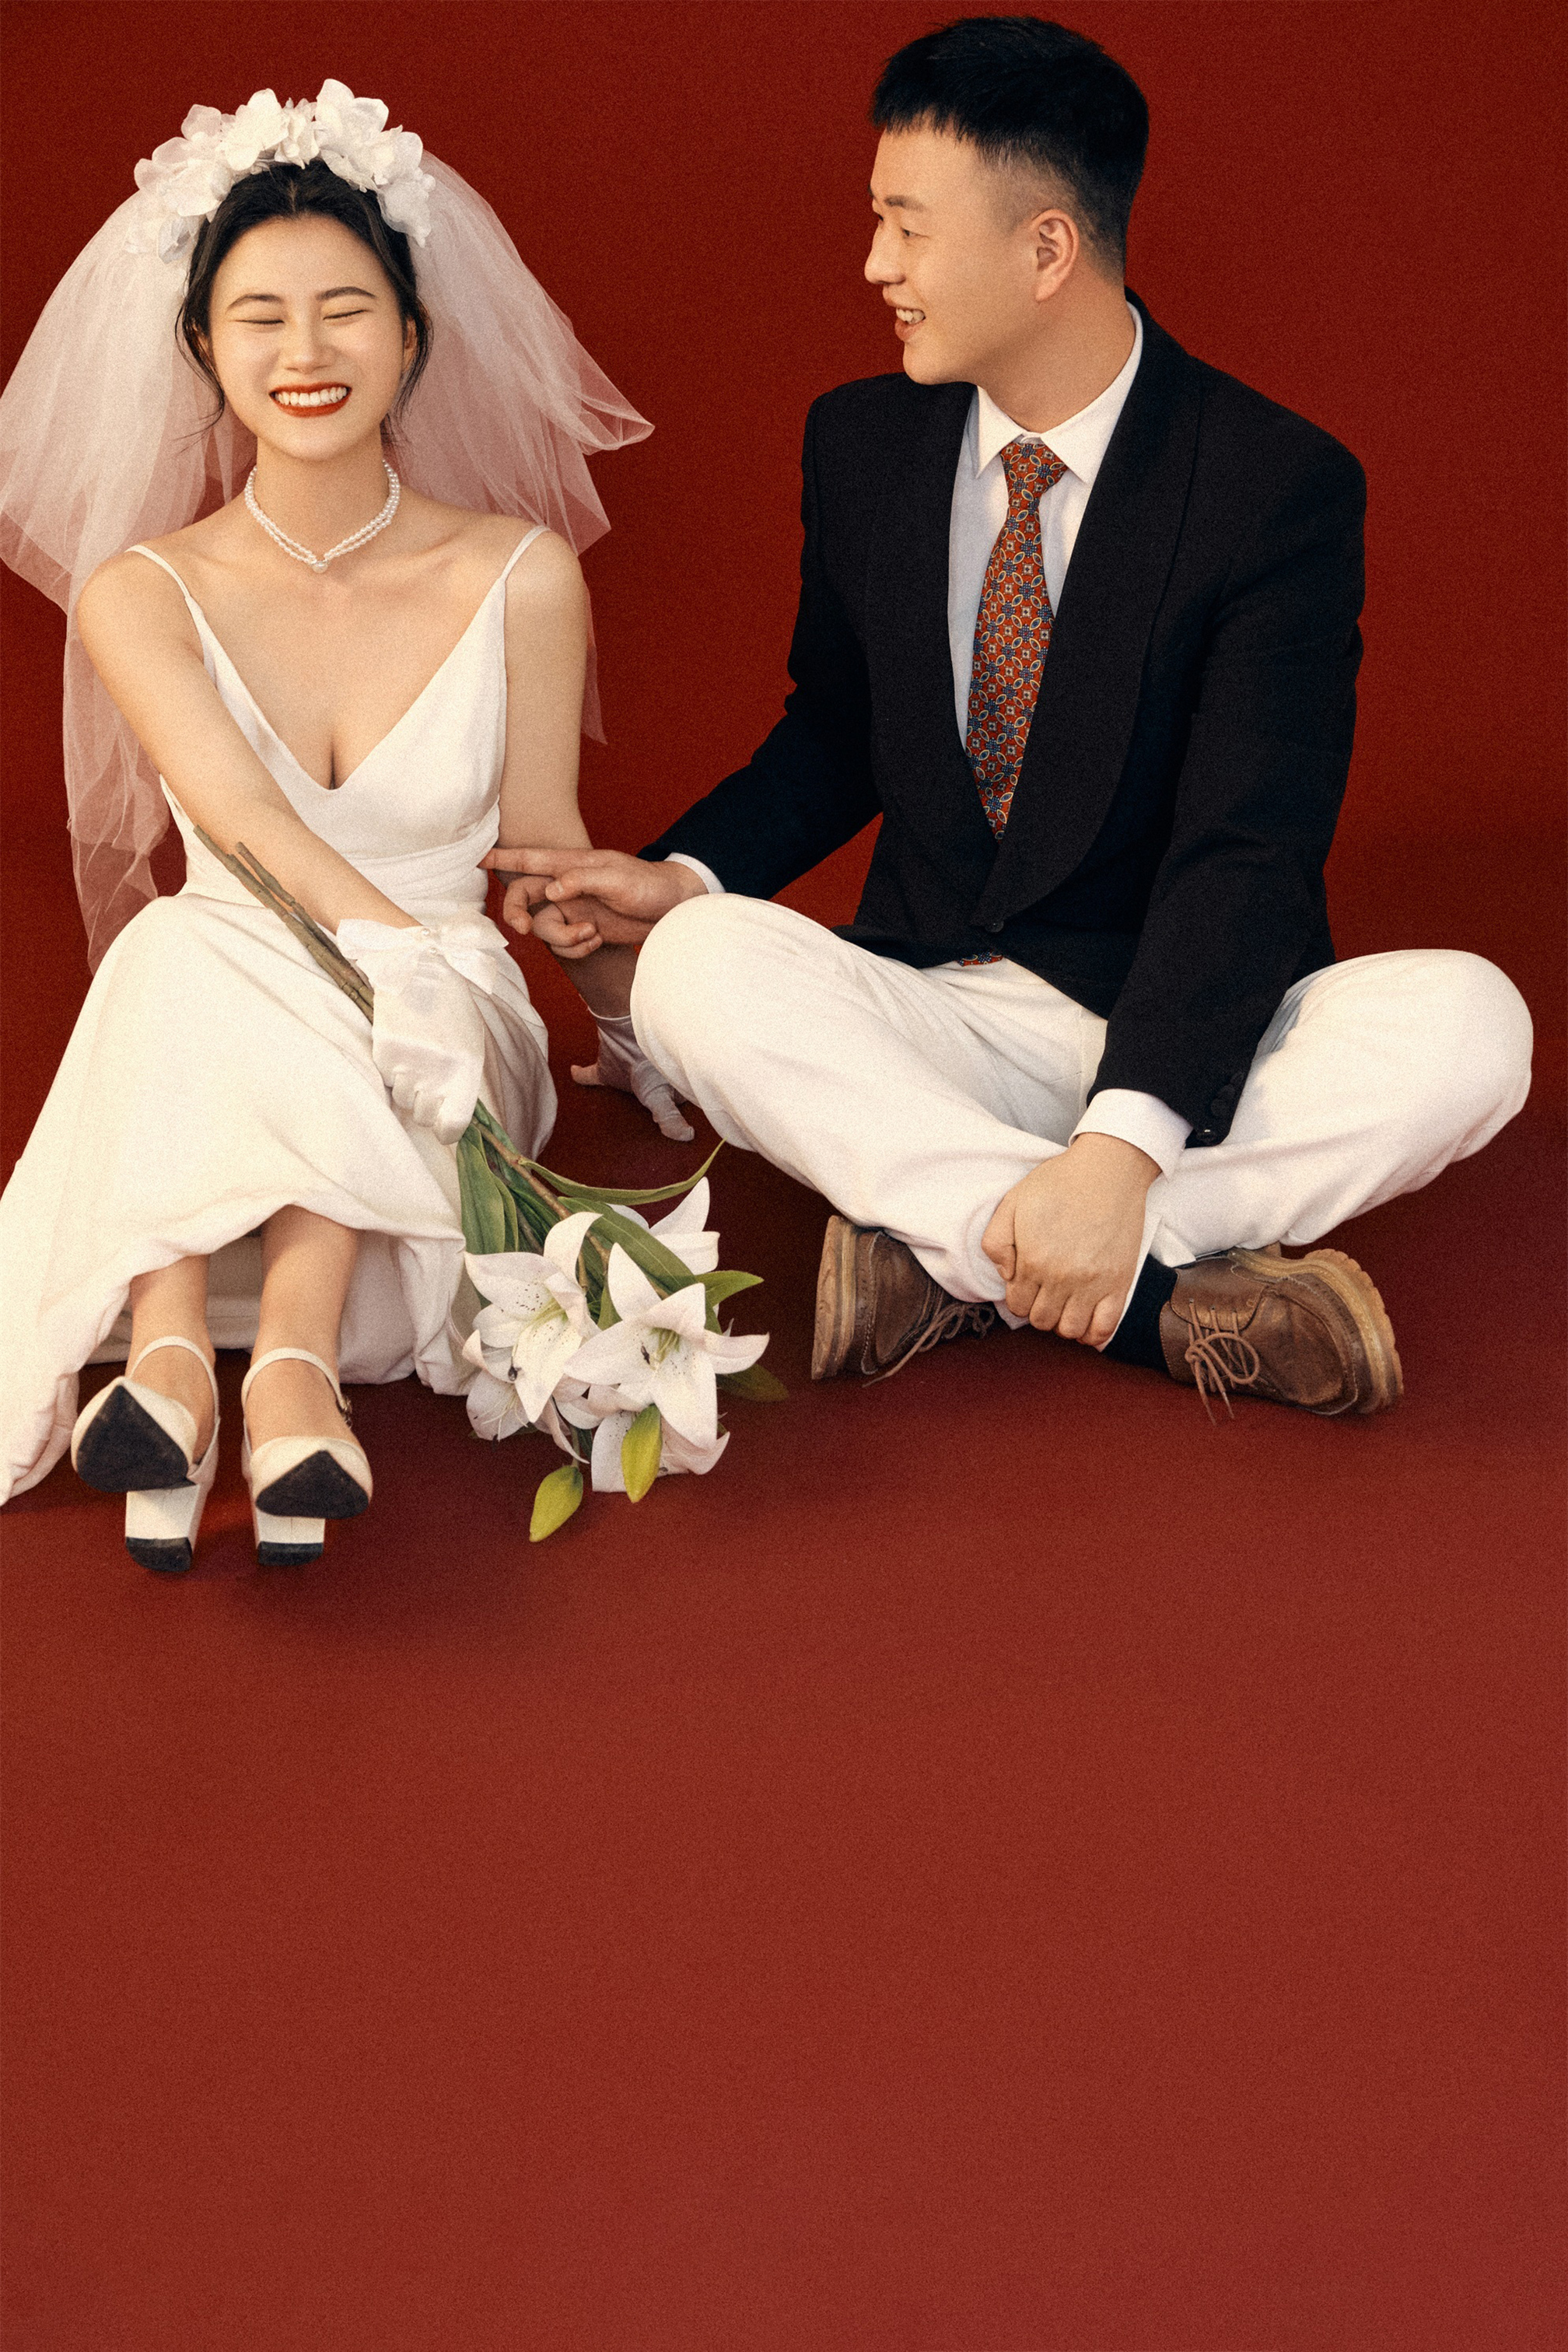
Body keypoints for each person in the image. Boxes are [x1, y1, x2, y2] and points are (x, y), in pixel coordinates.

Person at [492, 14, 1532, 1415]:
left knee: (1475, 1026)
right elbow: (838, 732)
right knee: (696, 965)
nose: (876, 265)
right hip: (937, 1015)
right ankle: (1150, 1298)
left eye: (907, 228)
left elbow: (1249, 851)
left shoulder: (1273, 487)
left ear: (1047, 250)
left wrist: (1123, 1144)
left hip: (1179, 1026)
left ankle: (963, 1253)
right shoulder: (862, 443)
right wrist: (684, 875)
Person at [0, 81, 677, 1561]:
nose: (304, 353)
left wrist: (642, 1023)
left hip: (447, 1030)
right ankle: (227, 1369)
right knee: (181, 947)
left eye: (346, 311)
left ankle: (237, 1356)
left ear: (412, 336)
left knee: (186, 972)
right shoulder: (140, 592)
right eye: (260, 317)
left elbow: (540, 846)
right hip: (241, 987)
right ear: (202, 347)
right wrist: (391, 958)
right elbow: (239, 822)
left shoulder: (523, 575)